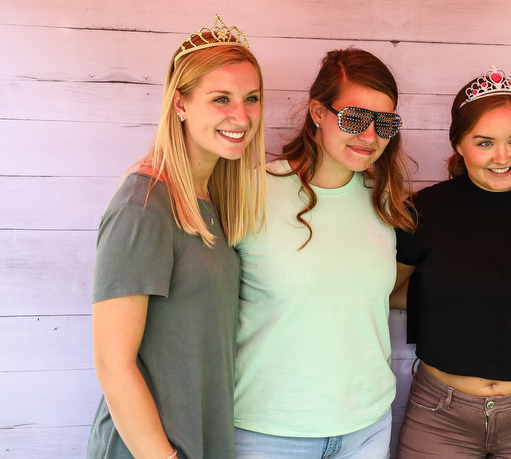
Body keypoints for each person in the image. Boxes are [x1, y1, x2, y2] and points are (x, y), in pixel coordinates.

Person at [87, 15, 267, 459]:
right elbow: (114, 364)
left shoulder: (211, 198)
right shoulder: (144, 205)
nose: (241, 116)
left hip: (201, 440)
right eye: (221, 98)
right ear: (180, 104)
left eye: (252, 98)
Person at [233, 47, 416, 458]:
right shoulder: (250, 192)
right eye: (354, 118)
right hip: (268, 431)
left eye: (384, 123)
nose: (370, 136)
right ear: (317, 112)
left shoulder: (387, 203)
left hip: (366, 426)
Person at [393, 66, 511, 458]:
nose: (502, 157)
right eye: (484, 142)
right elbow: (388, 290)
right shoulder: (424, 210)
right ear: (458, 144)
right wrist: (455, 295)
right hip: (439, 415)